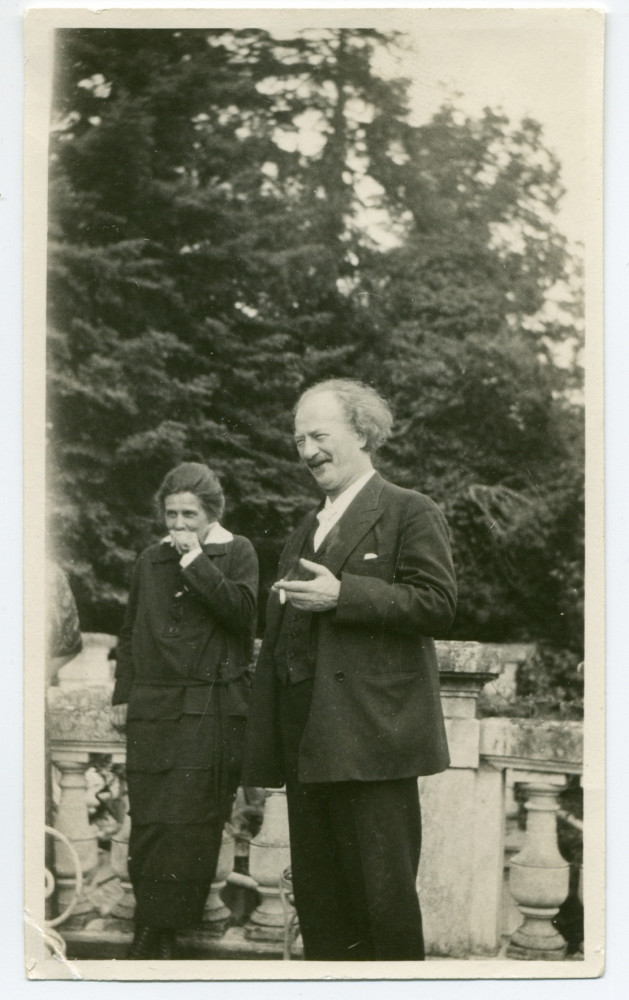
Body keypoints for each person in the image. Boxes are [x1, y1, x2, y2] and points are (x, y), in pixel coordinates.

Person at [242, 379, 456, 961]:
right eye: (297, 440)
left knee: (383, 916)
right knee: (323, 914)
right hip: (309, 750)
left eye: (318, 435)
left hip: (372, 748)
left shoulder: (410, 510)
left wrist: (345, 596)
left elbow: (438, 602)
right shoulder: (305, 529)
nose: (306, 450)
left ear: (361, 433)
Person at [111, 462, 258, 959]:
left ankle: (165, 930)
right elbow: (130, 633)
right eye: (172, 513)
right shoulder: (149, 560)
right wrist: (122, 694)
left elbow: (242, 616)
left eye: (189, 514)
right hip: (152, 706)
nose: (178, 524)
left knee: (192, 821)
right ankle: (150, 926)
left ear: (210, 513)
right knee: (150, 818)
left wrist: (196, 560)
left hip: (208, 705)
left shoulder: (237, 552)